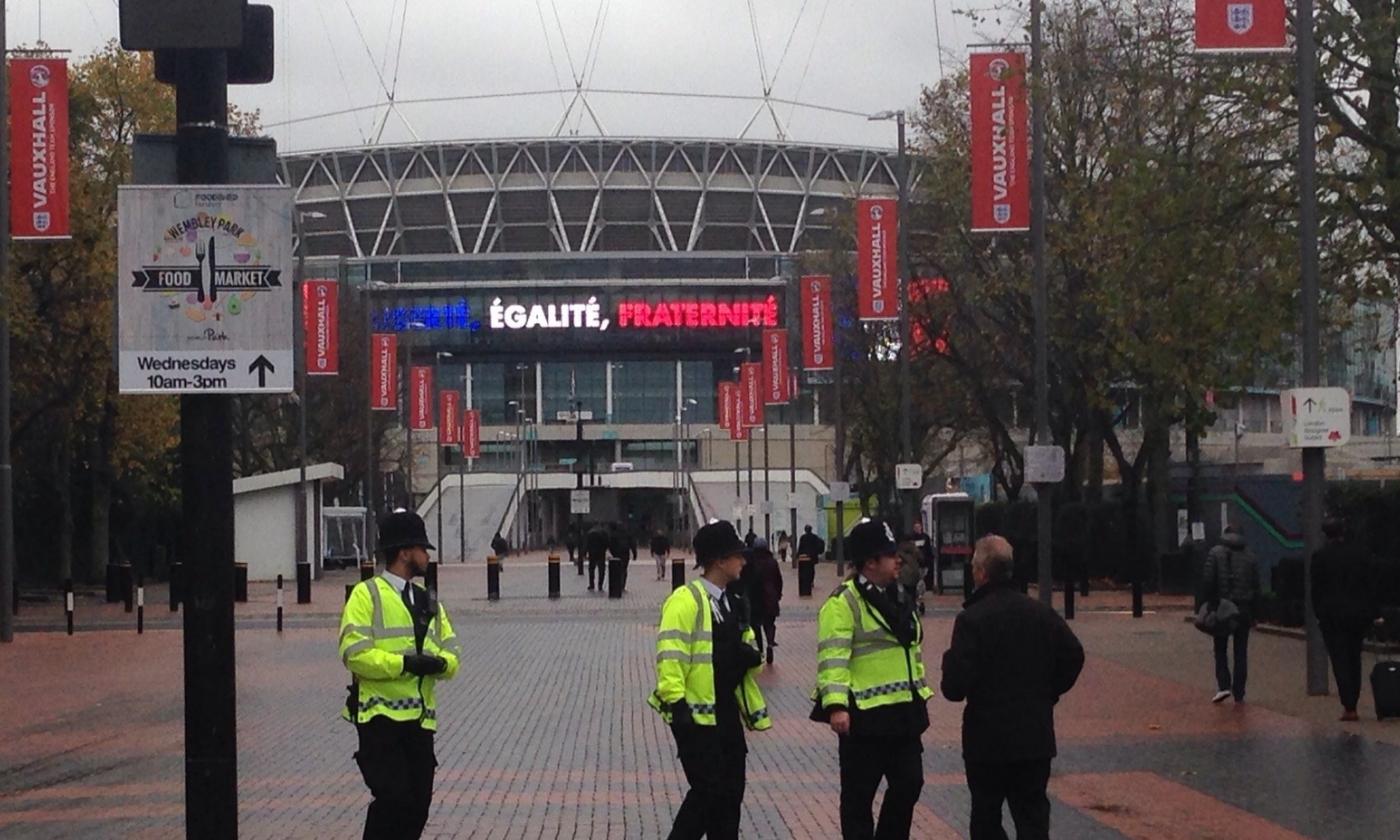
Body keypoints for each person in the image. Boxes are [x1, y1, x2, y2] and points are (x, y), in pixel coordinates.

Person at [940, 535, 1084, 840]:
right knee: (1032, 816)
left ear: (981, 572)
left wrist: (950, 662)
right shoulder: (1040, 613)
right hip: (1034, 735)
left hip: (986, 740)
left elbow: (953, 688)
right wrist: (1049, 691)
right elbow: (1073, 655)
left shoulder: (972, 619)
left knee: (986, 816)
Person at [339, 511, 461, 840]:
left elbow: (452, 652)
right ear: (405, 552)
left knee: (418, 806)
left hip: (420, 722)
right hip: (379, 719)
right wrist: (404, 665)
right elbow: (354, 654)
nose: (427, 555)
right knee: (393, 800)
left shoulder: (429, 601)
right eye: (423, 548)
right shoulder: (366, 595)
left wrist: (440, 664)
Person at [650, 520, 771, 839]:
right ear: (719, 560)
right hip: (696, 718)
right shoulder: (685, 600)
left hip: (727, 715)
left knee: (731, 797)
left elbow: (750, 656)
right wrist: (677, 704)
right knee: (708, 793)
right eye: (738, 555)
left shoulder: (731, 600)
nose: (743, 561)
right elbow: (670, 654)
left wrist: (751, 656)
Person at [814, 518, 932, 840]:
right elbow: (833, 658)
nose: (898, 560)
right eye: (890, 554)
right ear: (870, 562)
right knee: (858, 798)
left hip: (904, 711)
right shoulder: (843, 603)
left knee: (910, 784)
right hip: (863, 717)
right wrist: (836, 706)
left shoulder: (901, 595)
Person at [1312, 517, 1380, 721]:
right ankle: (1353, 702)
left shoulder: (1320, 557)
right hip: (1357, 615)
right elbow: (1370, 584)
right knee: (1354, 657)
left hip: (1332, 616)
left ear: (1326, 534)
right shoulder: (1359, 554)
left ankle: (1348, 705)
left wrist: (1319, 613)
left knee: (1339, 658)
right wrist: (1374, 613)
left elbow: (1316, 589)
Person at [1201, 525, 1260, 704]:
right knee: (1241, 651)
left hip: (1222, 607)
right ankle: (1239, 692)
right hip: (1243, 608)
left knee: (1220, 647)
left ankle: (1223, 686)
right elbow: (1256, 586)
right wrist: (1256, 613)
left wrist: (1210, 604)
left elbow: (1208, 581)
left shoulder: (1215, 553)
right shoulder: (1251, 556)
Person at [741, 538, 784, 664]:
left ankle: (760, 651)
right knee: (770, 623)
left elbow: (746, 580)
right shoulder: (772, 562)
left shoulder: (751, 562)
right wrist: (778, 594)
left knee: (756, 625)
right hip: (770, 597)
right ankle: (770, 643)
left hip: (755, 597)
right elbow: (778, 580)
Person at [586, 522, 609, 592]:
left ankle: (591, 584)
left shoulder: (589, 533)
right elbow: (607, 542)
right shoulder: (603, 532)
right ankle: (600, 585)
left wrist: (585, 552)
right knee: (601, 569)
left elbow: (586, 543)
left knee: (591, 569)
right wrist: (604, 549)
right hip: (601, 553)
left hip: (592, 553)